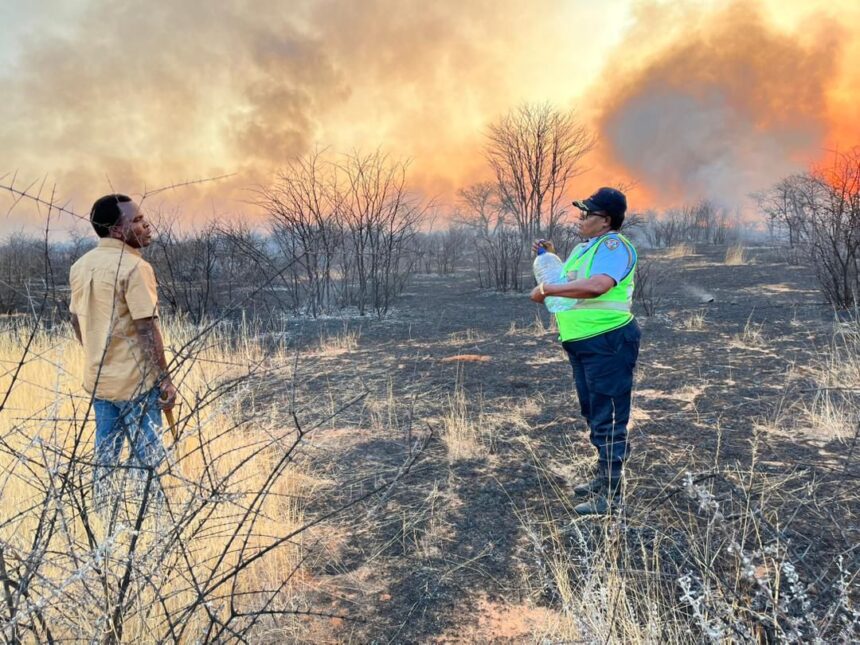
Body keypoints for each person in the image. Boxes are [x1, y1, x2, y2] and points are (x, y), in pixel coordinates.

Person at [529, 187, 640, 515]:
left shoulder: (613, 246)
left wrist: (547, 288)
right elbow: (571, 282)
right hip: (583, 343)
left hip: (608, 341)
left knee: (609, 415)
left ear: (605, 220)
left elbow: (597, 286)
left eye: (587, 213)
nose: (580, 217)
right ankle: (604, 476)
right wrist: (549, 258)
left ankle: (611, 493)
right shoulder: (584, 249)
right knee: (594, 412)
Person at [69, 194, 176, 509]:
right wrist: (165, 379)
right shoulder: (135, 267)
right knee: (148, 461)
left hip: (100, 381)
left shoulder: (80, 266)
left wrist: (96, 354)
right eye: (138, 221)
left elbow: (76, 319)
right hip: (136, 384)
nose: (146, 226)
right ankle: (154, 522)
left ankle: (101, 519)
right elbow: (146, 328)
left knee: (105, 458)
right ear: (117, 231)